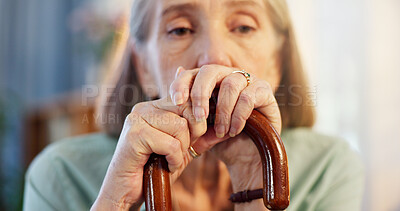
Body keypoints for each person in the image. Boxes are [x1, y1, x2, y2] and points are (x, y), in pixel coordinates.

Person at [23, 0, 364, 210]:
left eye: (243, 26)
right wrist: (116, 203)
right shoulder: (59, 174)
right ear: (144, 66)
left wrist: (253, 185)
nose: (214, 57)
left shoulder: (329, 168)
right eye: (180, 29)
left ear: (276, 62)